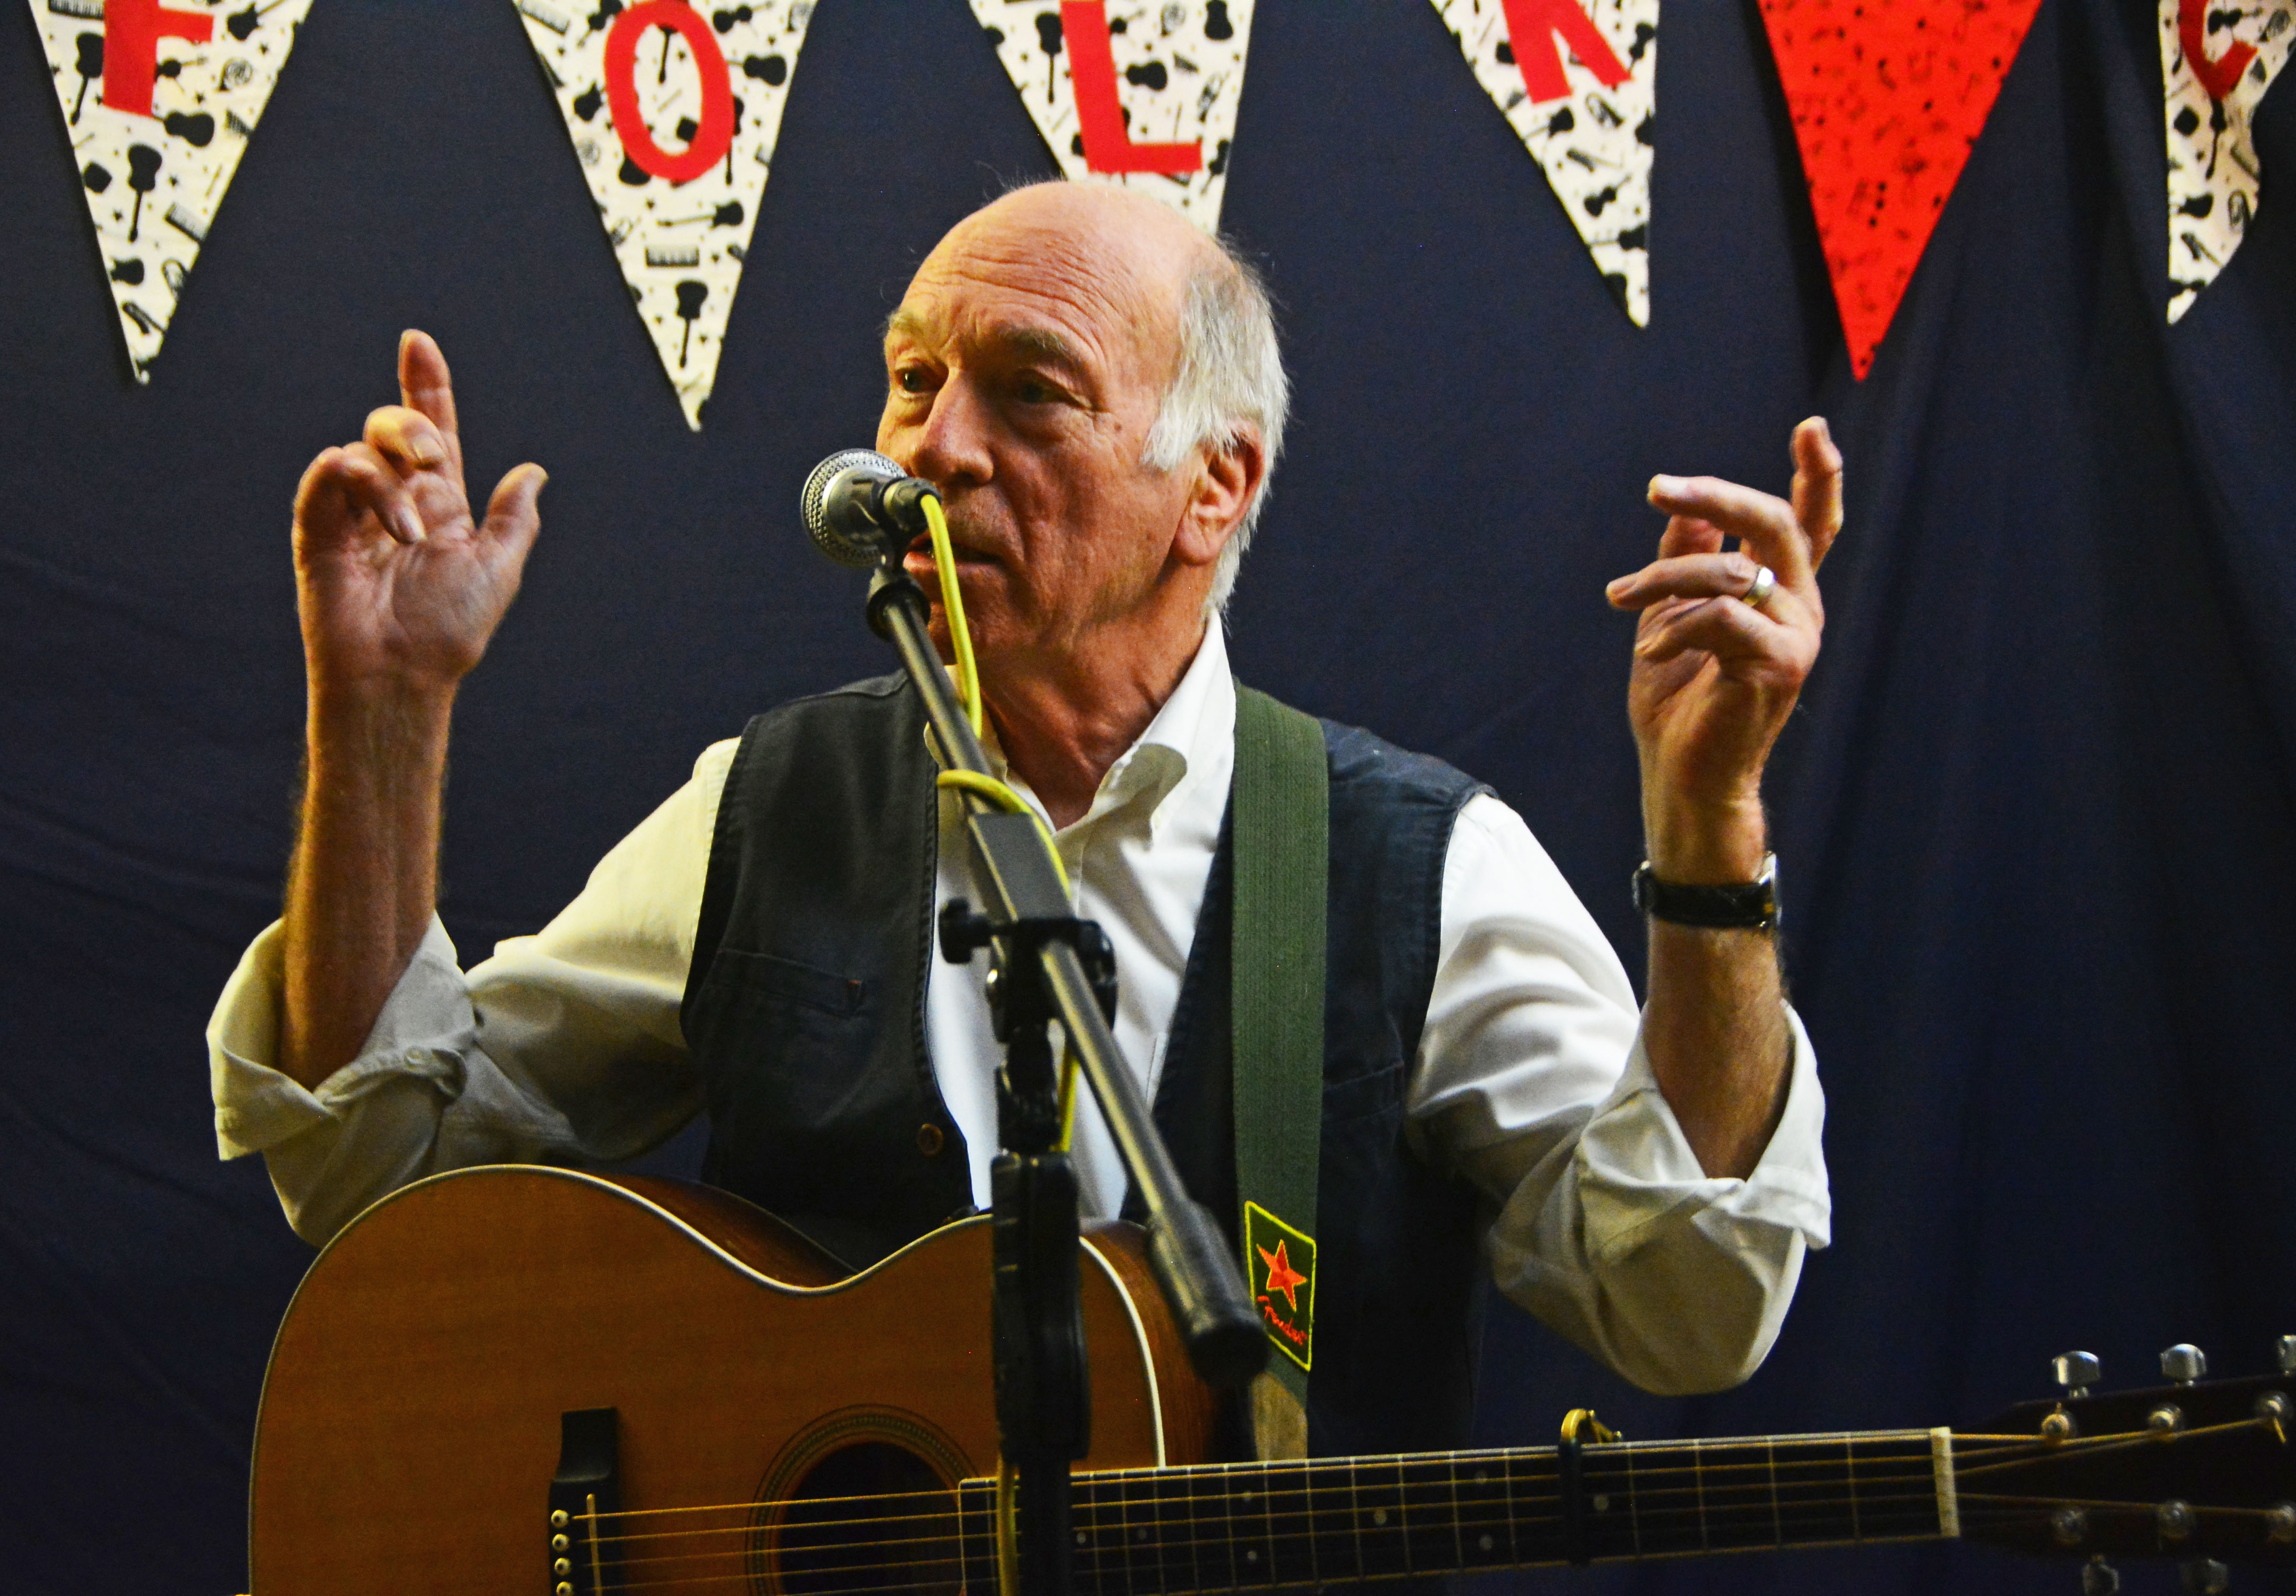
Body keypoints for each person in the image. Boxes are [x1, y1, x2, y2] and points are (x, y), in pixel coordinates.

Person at [209, 181, 1839, 1459]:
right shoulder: (770, 805)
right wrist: (383, 715)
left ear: (1214, 486)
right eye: (913, 381)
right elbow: (378, 1169)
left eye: (1029, 394)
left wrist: (1710, 828)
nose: (933, 449)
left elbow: (1692, 1308)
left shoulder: (1423, 867)